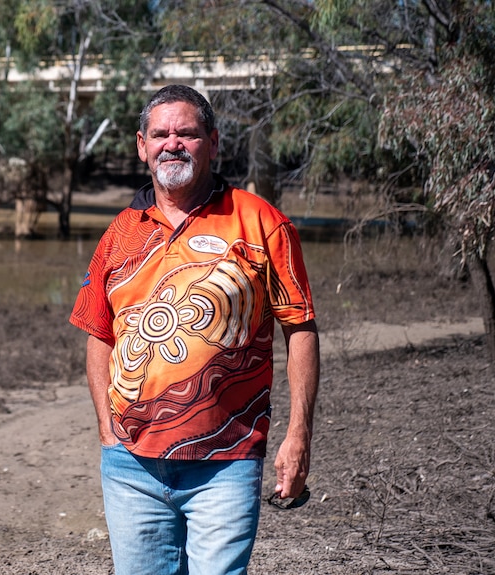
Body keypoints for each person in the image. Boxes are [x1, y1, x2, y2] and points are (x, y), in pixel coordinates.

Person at [68, 84, 320, 575]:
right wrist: (106, 427)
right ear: (142, 145)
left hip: (227, 462)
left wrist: (298, 434)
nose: (173, 143)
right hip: (130, 467)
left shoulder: (260, 222)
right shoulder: (120, 232)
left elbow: (301, 328)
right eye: (160, 134)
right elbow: (99, 333)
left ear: (214, 142)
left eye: (187, 132)